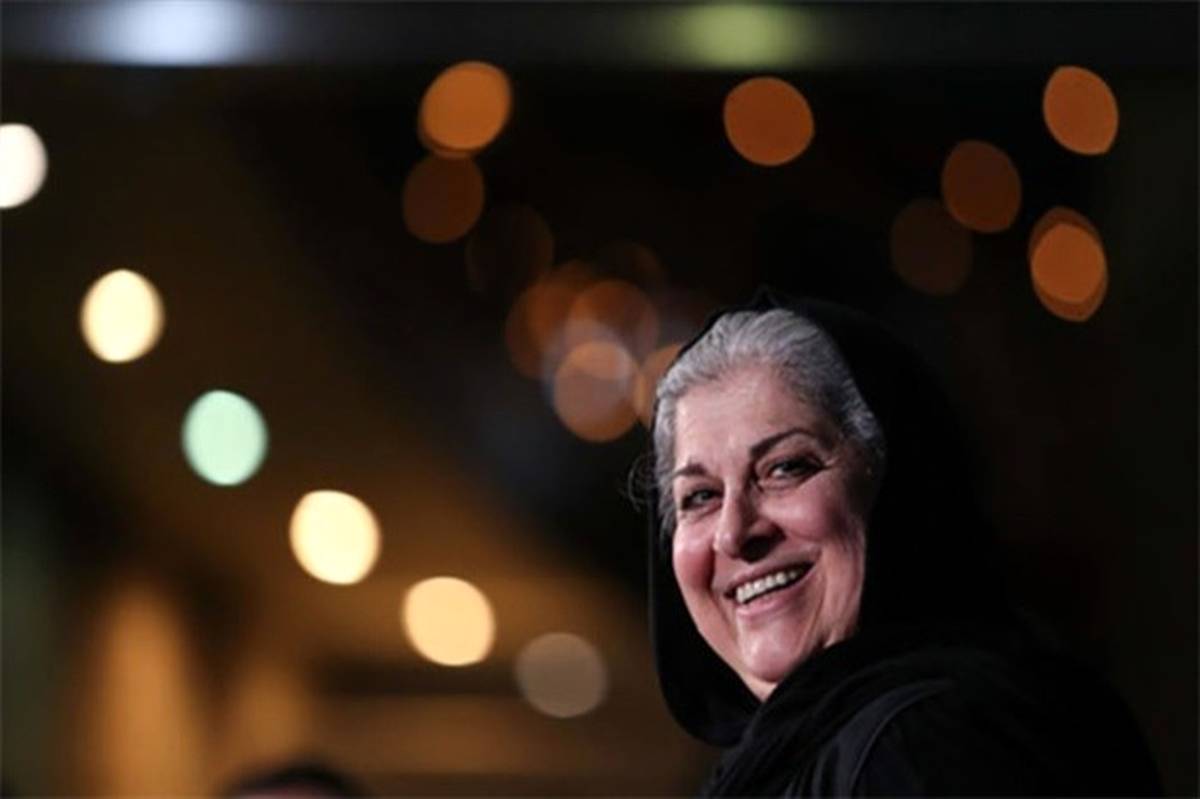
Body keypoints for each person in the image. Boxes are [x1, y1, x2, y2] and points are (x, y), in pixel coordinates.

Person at [642, 290, 1162, 796]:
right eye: (700, 496)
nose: (733, 532)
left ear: (896, 484)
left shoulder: (921, 749)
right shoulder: (799, 755)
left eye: (785, 468)